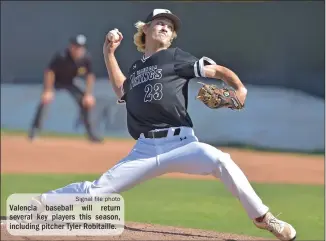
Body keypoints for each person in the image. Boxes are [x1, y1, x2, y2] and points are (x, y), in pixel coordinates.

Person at [31, 9, 296, 240]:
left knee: (221, 160)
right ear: (144, 30)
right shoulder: (135, 69)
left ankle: (263, 217)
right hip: (145, 149)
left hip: (182, 143)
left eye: (169, 26)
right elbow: (121, 90)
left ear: (171, 37)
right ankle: (42, 203)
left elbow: (215, 71)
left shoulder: (176, 57)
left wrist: (238, 88)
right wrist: (108, 52)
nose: (165, 27)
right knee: (96, 192)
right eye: (159, 22)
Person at [28, 34, 103, 142]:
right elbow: (50, 72)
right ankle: (34, 131)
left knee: (85, 103)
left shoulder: (86, 58)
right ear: (71, 46)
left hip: (71, 82)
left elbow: (90, 76)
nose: (78, 50)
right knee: (44, 101)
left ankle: (92, 134)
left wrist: (88, 94)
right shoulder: (61, 56)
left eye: (81, 47)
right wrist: (48, 90)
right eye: (76, 46)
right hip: (56, 81)